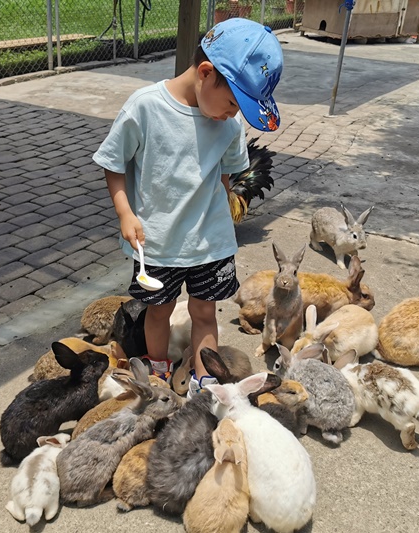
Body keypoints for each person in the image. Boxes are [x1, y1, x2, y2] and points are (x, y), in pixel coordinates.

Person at [93, 18, 284, 394]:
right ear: (205, 73)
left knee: (204, 312)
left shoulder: (227, 127)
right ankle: (159, 371)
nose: (234, 115)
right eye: (233, 102)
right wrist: (125, 213)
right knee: (158, 312)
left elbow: (227, 177)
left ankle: (205, 380)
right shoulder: (145, 109)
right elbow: (113, 165)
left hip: (210, 243)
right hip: (159, 243)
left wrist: (221, 210)